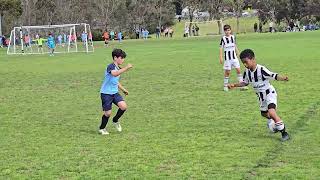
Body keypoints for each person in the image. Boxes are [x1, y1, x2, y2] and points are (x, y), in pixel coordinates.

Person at [227, 49, 290, 141]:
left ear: (253, 59)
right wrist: (234, 85)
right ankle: (276, 122)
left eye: (246, 62)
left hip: (269, 93)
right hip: (261, 97)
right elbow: (245, 83)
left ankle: (284, 133)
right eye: (243, 63)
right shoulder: (247, 72)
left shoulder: (261, 69)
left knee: (272, 112)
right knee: (264, 114)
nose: (245, 64)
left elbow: (273, 75)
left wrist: (283, 78)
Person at [98, 49, 133, 135]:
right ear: (115, 58)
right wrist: (126, 68)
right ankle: (102, 128)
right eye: (121, 58)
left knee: (123, 107)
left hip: (114, 93)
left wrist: (123, 89)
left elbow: (115, 81)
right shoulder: (111, 66)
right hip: (106, 93)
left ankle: (115, 120)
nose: (123, 60)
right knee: (108, 113)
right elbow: (115, 74)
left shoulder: (119, 68)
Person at [219, 24, 246, 92]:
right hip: (228, 59)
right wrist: (221, 57)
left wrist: (238, 53)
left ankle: (241, 86)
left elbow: (235, 45)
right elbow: (221, 48)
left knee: (238, 70)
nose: (227, 32)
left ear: (230, 30)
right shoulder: (223, 39)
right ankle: (225, 85)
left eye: (228, 30)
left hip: (234, 58)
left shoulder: (233, 37)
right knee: (227, 72)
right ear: (224, 31)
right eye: (226, 30)